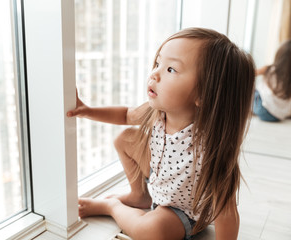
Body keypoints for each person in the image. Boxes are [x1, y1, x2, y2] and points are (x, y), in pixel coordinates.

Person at [67, 27, 255, 240]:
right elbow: (125, 114)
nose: (154, 73)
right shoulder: (157, 111)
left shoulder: (210, 146)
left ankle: (111, 207)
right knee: (125, 139)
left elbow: (226, 211)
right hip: (161, 181)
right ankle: (139, 195)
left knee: (153, 231)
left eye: (171, 69)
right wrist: (87, 111)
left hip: (184, 212)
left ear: (204, 94)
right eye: (158, 63)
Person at [253, 40, 291, 122]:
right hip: (279, 116)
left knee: (255, 91)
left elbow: (251, 74)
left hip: (263, 110)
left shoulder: (269, 69)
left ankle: (250, 108)